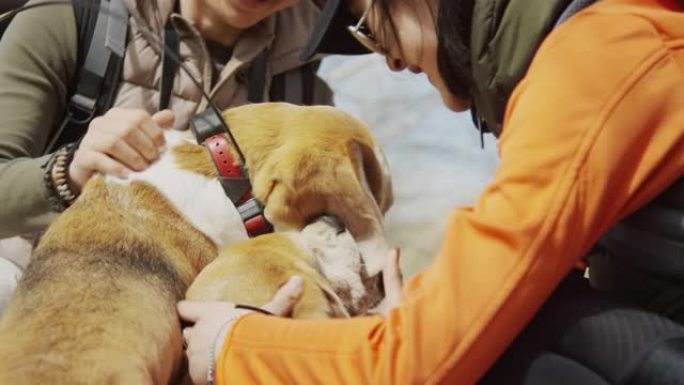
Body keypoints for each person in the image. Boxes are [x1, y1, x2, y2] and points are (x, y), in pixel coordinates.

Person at [178, 0, 684, 384]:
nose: (389, 61)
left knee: (526, 339)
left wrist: (234, 345)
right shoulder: (612, 41)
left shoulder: (599, 60)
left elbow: (428, 360)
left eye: (366, 24)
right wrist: (419, 318)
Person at [0, 0, 347, 315]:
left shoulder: (305, 95)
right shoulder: (68, 18)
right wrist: (71, 171)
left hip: (195, 324)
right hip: (30, 293)